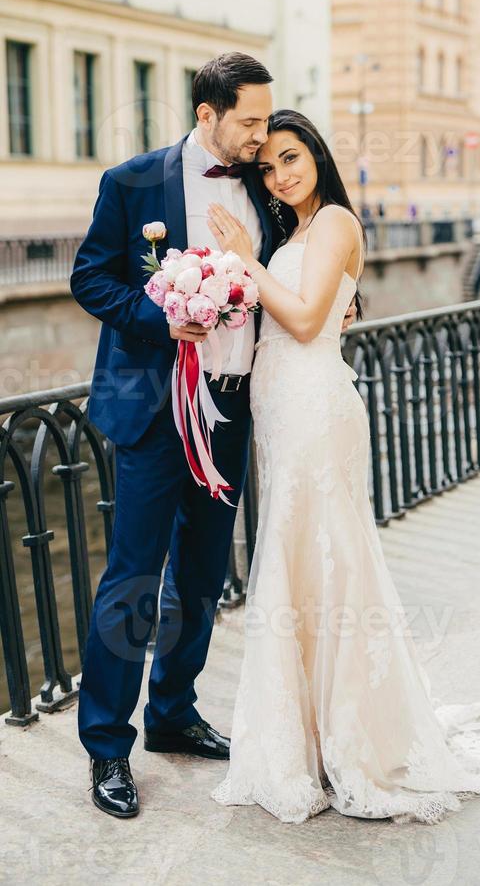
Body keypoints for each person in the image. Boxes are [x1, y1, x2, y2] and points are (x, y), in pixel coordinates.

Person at [206, 109, 480, 824]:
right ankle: (304, 733)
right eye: (269, 167)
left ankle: (350, 734)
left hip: (314, 407)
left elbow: (308, 320)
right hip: (281, 409)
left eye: (290, 158)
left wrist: (247, 260)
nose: (281, 174)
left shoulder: (336, 219)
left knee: (326, 557)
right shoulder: (295, 231)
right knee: (294, 558)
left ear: (315, 154)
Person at [70, 54, 356, 819]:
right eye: (252, 122)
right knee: (132, 578)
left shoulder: (264, 192)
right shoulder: (130, 182)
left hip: (232, 409)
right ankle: (106, 749)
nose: (264, 139)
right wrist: (159, 315)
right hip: (154, 412)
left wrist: (341, 309)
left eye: (269, 122)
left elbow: (303, 270)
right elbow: (92, 279)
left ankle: (172, 714)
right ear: (207, 115)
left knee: (200, 576)